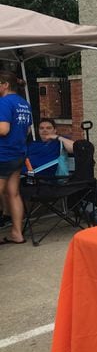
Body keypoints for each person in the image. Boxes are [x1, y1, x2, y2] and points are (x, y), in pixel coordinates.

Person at [0, 71, 32, 244]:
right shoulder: (24, 103)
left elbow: (3, 129)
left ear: (5, 85)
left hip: (2, 155)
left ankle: (16, 233)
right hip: (18, 155)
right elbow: (27, 130)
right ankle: (17, 234)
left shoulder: (4, 102)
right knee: (14, 193)